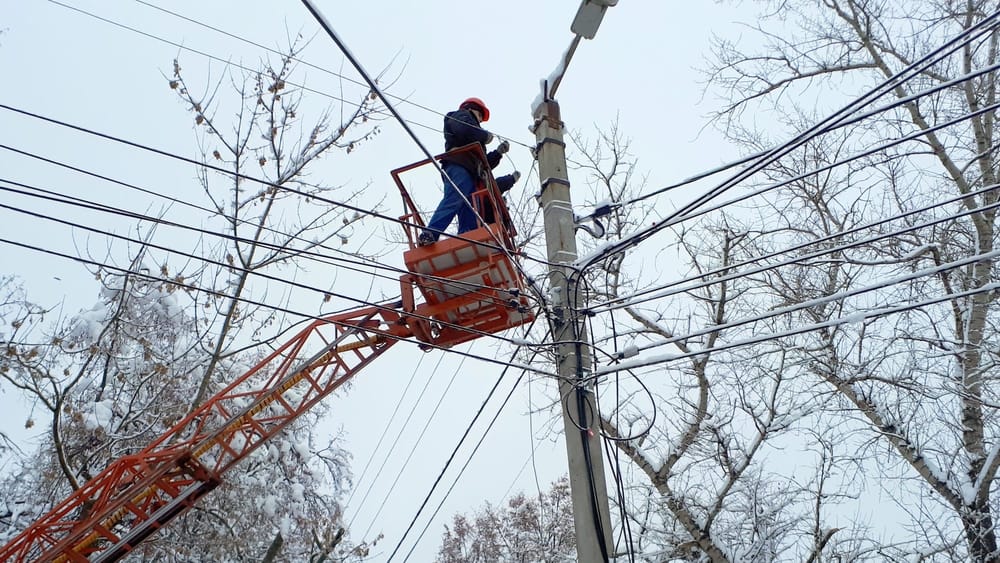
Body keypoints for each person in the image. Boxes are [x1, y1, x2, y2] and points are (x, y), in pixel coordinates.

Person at [417, 97, 520, 245]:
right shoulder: (460, 116)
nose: (479, 122)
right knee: (455, 198)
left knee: (469, 209)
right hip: (459, 165)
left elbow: (482, 163)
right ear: (472, 109)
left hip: (470, 171)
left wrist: (498, 153)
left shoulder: (472, 136)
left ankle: (467, 237)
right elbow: (465, 129)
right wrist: (485, 136)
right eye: (479, 117)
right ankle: (430, 233)